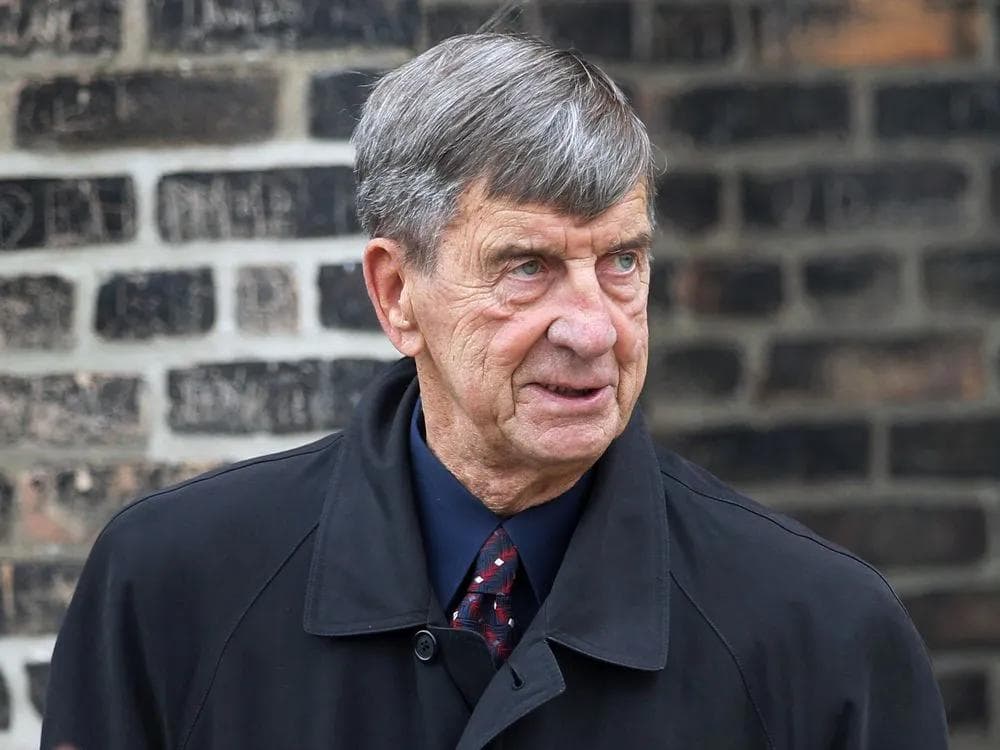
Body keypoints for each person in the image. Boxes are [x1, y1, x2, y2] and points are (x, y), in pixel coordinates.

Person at [42, 33, 948, 750]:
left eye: (622, 261)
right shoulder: (168, 590)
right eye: (528, 266)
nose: (594, 329)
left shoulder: (823, 632)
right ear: (397, 294)